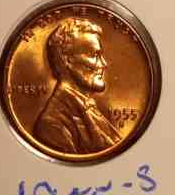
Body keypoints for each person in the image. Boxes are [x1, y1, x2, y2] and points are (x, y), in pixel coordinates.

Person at [34, 18, 122, 155]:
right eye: (93, 55)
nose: (103, 64)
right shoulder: (52, 125)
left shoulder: (88, 109)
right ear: (66, 60)